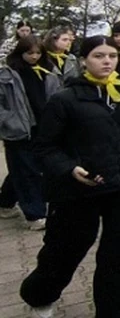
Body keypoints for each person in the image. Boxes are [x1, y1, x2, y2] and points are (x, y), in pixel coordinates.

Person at [20, 36, 120, 318]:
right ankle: (39, 294)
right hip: (78, 189)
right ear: (84, 60)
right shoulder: (65, 99)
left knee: (119, 259)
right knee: (65, 250)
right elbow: (44, 147)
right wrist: (70, 168)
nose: (107, 61)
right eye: (99, 56)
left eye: (112, 55)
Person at [0, 35, 60, 229]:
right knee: (26, 171)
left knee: (25, 169)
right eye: (29, 53)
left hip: (44, 128)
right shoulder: (8, 74)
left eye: (37, 53)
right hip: (19, 129)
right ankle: (34, 214)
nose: (34, 57)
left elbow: (57, 97)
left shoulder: (49, 72)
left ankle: (5, 203)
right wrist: (8, 121)